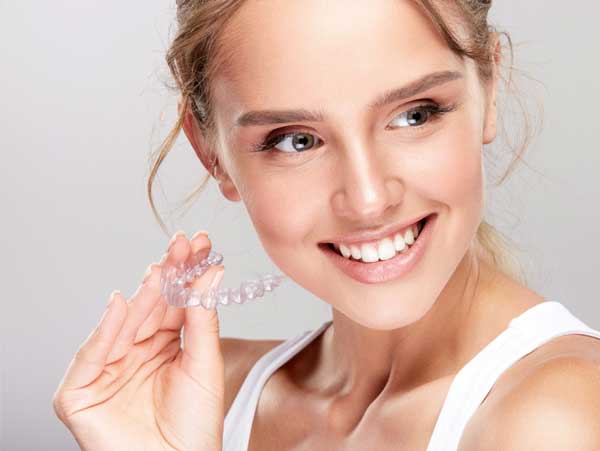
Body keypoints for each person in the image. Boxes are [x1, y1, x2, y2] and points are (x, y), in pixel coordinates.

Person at [53, 0, 600, 450]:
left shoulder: (556, 416)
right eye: (296, 140)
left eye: (415, 113)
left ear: (489, 88)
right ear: (210, 151)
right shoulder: (203, 396)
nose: (367, 200)